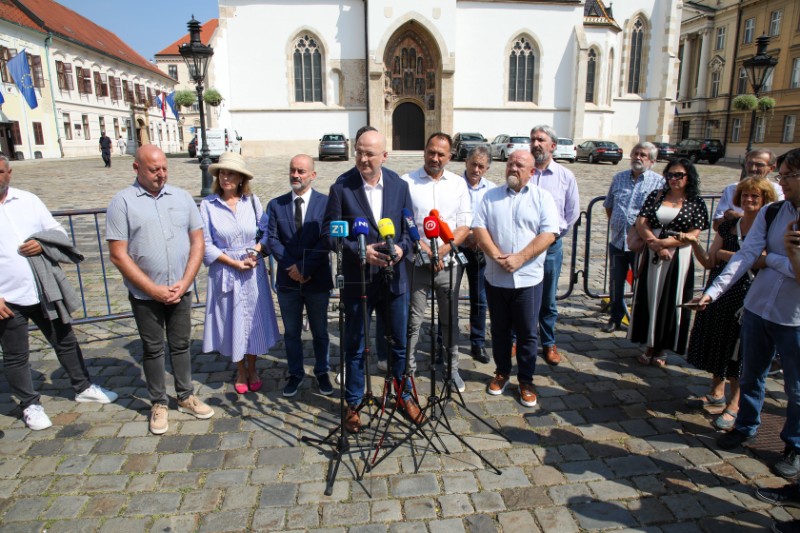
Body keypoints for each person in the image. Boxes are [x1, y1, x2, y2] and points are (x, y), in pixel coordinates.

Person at [695, 149, 800, 486]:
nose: (780, 181)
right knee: (751, 372)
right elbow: (745, 256)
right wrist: (712, 293)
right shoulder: (772, 213)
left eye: (785, 175)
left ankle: (794, 446)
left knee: (796, 388)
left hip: (794, 317)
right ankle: (745, 426)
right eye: (780, 175)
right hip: (757, 308)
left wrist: (775, 260)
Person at [0, 155, 117, 430]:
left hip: (42, 289)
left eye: (0, 172)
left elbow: (57, 231)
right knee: (16, 355)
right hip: (7, 298)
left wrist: (42, 245)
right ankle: (30, 404)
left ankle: (83, 386)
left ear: (9, 173)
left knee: (65, 340)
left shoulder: (27, 201)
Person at [107, 145, 214, 435]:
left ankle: (185, 395)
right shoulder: (123, 202)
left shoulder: (181, 197)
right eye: (154, 169)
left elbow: (197, 242)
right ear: (137, 168)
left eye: (164, 168)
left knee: (180, 344)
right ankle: (158, 402)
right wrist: (152, 289)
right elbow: (118, 254)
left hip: (181, 288)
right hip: (145, 294)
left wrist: (186, 280)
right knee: (153, 348)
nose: (161, 174)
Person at [323, 129, 422, 433]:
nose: (363, 159)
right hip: (359, 281)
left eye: (369, 153)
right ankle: (353, 403)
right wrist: (358, 250)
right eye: (359, 152)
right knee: (355, 345)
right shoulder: (341, 187)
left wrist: (403, 247)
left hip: (394, 281)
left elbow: (408, 226)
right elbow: (329, 233)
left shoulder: (399, 185)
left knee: (399, 345)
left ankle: (403, 395)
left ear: (384, 156)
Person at [682, 178, 776, 430]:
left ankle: (734, 405)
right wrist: (694, 243)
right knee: (717, 341)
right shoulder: (728, 226)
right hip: (720, 290)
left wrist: (725, 255)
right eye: (745, 195)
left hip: (746, 293)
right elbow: (710, 261)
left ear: (765, 200)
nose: (749, 200)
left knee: (738, 350)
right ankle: (716, 393)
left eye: (755, 196)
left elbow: (761, 261)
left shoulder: (769, 227)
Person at [472, 150, 559, 408]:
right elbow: (480, 229)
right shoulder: (490, 196)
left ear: (532, 172)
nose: (513, 168)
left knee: (527, 333)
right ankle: (502, 372)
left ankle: (526, 380)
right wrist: (497, 256)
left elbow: (549, 233)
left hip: (528, 280)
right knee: (499, 330)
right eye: (510, 164)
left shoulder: (543, 198)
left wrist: (521, 258)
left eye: (519, 165)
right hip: (496, 278)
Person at [199, 152, 279, 394]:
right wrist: (232, 263)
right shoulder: (208, 205)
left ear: (241, 178)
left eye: (230, 173)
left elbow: (266, 231)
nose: (225, 177)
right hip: (225, 270)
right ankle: (240, 369)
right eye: (222, 172)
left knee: (253, 320)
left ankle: (253, 367)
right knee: (231, 321)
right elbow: (205, 242)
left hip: (252, 270)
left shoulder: (252, 202)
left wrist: (256, 251)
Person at [401, 132, 471, 391]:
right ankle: (407, 371)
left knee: (449, 320)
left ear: (449, 157)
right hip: (415, 263)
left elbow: (464, 225)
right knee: (413, 321)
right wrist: (424, 251)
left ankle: (452, 370)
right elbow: (403, 224)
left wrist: (440, 252)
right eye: (431, 152)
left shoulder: (458, 184)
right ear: (424, 151)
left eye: (441, 154)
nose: (435, 158)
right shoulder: (406, 181)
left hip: (449, 265)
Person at [628, 158, 709, 366]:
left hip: (678, 256)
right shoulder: (656, 196)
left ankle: (663, 348)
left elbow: (694, 232)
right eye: (670, 175)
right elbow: (642, 221)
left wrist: (667, 243)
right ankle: (648, 344)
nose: (673, 179)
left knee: (670, 300)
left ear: (688, 177)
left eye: (678, 175)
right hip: (653, 252)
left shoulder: (696, 202)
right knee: (650, 297)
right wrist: (654, 243)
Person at [267, 154, 333, 397]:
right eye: (293, 170)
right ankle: (295, 374)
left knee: (320, 331)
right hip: (287, 280)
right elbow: (272, 239)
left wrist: (305, 268)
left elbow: (327, 239)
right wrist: (291, 267)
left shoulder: (326, 203)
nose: (296, 175)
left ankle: (322, 371)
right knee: (292, 332)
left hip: (317, 279)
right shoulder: (276, 204)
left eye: (301, 171)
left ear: (312, 175)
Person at [529, 125, 580, 365]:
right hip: (524, 247)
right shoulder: (524, 171)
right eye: (533, 139)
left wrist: (554, 235)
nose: (536, 143)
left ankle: (548, 342)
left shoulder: (565, 176)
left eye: (541, 139)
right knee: (523, 295)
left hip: (550, 247)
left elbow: (572, 213)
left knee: (548, 298)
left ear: (553, 145)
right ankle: (520, 338)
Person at [601, 142, 664, 333]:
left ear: (651, 161)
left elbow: (659, 212)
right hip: (618, 241)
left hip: (641, 245)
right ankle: (615, 317)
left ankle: (638, 321)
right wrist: (618, 223)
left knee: (641, 284)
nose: (638, 157)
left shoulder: (659, 182)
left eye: (643, 155)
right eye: (636, 153)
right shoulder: (619, 178)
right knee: (616, 282)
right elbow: (609, 204)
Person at [459, 146, 496, 364]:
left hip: (479, 250)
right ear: (466, 162)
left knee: (480, 299)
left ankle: (477, 343)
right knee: (449, 297)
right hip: (456, 246)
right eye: (473, 164)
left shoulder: (492, 190)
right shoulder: (454, 185)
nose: (476, 169)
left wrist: (479, 237)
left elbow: (494, 219)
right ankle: (444, 341)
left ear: (488, 168)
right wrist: (465, 236)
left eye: (481, 166)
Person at [712, 149, 783, 231]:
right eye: (750, 163)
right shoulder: (731, 189)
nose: (753, 168)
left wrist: (736, 216)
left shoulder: (778, 191)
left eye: (759, 165)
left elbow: (776, 223)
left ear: (771, 168)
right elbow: (717, 226)